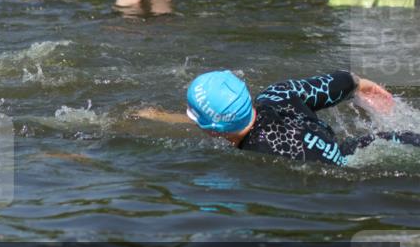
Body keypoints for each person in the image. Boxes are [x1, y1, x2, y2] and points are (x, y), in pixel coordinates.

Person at [177, 70, 419, 166]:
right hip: (367, 147)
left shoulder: (254, 159)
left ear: (212, 128)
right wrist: (362, 86)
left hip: (351, 176)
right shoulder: (276, 94)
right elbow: (341, 82)